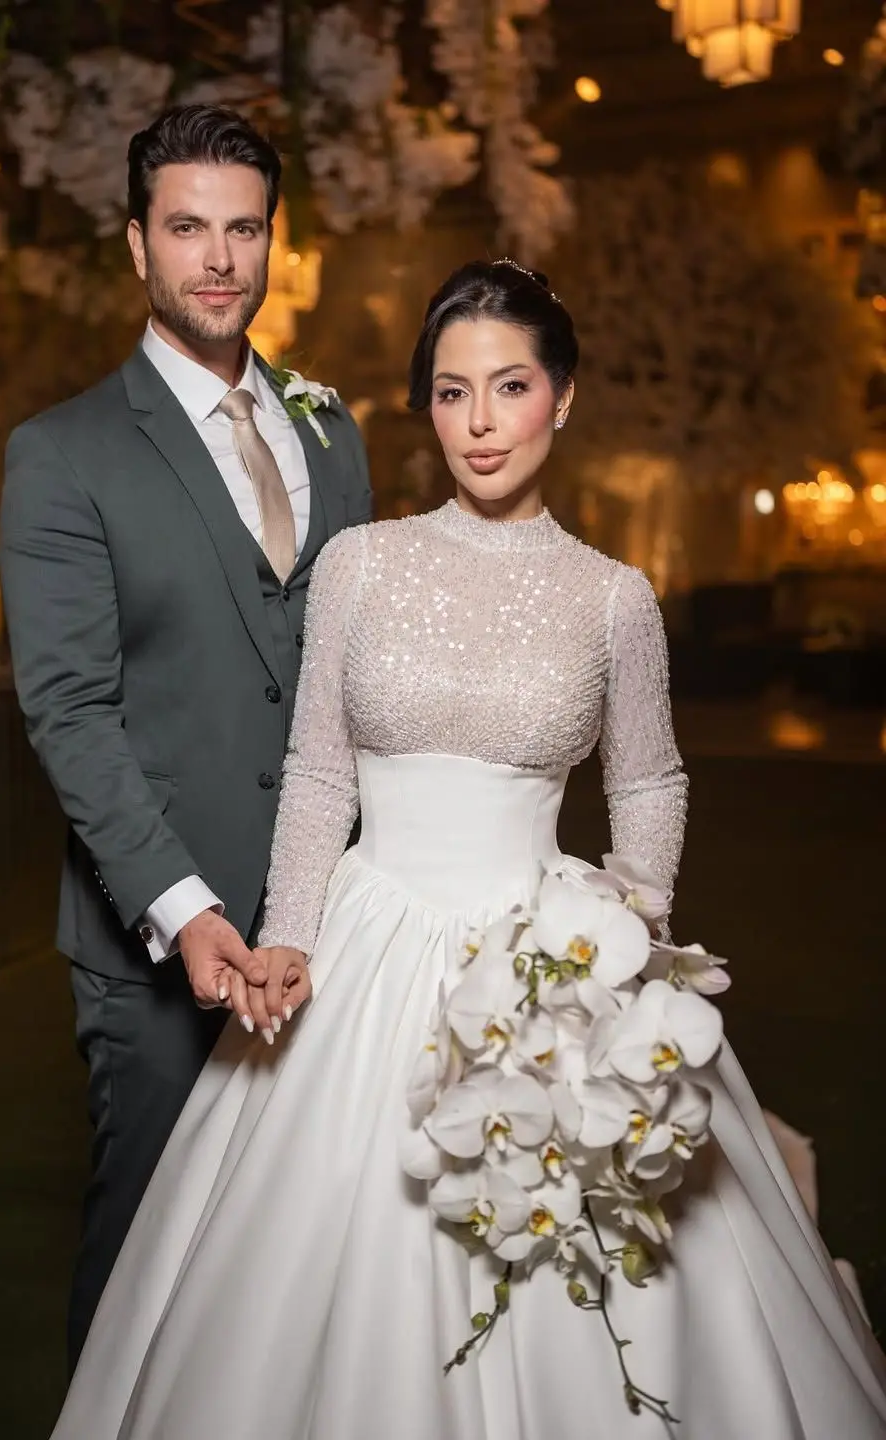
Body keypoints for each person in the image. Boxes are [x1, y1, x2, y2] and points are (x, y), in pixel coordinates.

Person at [49, 259, 886, 1437]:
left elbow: (647, 778)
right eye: (452, 393)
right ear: (427, 408)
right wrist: (289, 935)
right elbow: (321, 772)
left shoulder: (614, 598)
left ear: (563, 397)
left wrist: (627, 937)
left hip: (550, 955)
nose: (481, 423)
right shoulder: (360, 565)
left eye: (510, 387)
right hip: (365, 946)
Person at [0, 103, 372, 1372]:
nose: (218, 259)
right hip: (158, 946)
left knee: (318, 1263)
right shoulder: (62, 455)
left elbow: (352, 677)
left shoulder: (331, 431)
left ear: (273, 243)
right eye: (187, 228)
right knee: (148, 1274)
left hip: (333, 929)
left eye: (244, 230)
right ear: (136, 244)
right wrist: (185, 907)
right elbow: (69, 710)